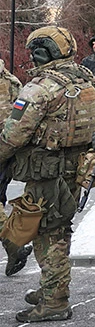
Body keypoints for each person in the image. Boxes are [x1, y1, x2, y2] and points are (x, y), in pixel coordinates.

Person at [0, 27, 95, 321]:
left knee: (47, 234)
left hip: (46, 171)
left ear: (41, 52)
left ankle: (55, 301)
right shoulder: (88, 79)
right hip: (76, 167)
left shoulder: (40, 88)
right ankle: (51, 289)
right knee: (60, 229)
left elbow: (13, 134)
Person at [0, 57, 32, 277]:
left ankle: (13, 245)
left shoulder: (11, 82)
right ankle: (13, 248)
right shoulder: (12, 81)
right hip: (7, 147)